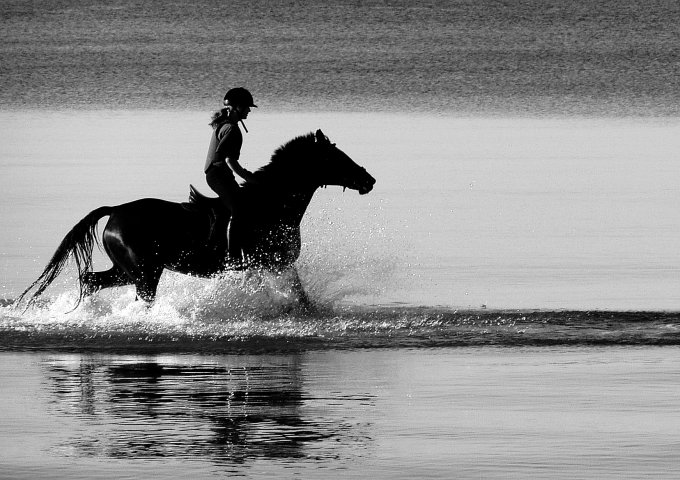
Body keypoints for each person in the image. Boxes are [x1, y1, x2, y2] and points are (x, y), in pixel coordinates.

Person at [204, 87, 258, 265]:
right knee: (238, 210)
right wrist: (248, 177)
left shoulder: (225, 124)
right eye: (247, 107)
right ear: (237, 107)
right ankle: (233, 256)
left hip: (220, 175)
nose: (249, 110)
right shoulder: (232, 129)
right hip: (217, 176)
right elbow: (228, 160)